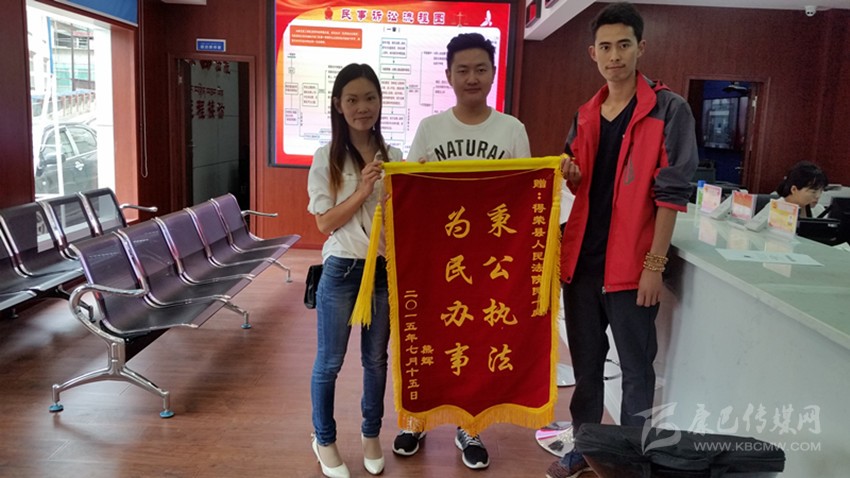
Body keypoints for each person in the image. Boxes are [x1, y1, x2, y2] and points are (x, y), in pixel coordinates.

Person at [546, 3, 698, 477]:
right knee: (587, 369)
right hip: (582, 264)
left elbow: (671, 196)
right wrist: (571, 174)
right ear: (593, 53)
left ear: (640, 48)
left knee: (636, 371)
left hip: (632, 268)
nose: (615, 56)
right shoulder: (586, 113)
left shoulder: (669, 110)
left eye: (624, 45)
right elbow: (582, 183)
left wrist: (654, 265)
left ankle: (632, 462)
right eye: (606, 47)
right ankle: (585, 447)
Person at [392, 32, 531, 470]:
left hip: (489, 262)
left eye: (480, 69)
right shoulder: (430, 129)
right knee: (428, 338)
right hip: (437, 259)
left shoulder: (511, 130)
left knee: (475, 341)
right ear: (449, 75)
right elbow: (410, 190)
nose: (472, 78)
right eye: (463, 70)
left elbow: (525, 193)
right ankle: (416, 419)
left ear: (493, 73)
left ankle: (470, 425)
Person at [307, 63, 403, 478]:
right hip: (342, 270)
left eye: (369, 98)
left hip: (383, 272)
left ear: (380, 102)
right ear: (338, 105)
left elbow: (405, 219)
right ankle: (324, 439)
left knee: (376, 361)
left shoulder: (394, 157)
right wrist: (364, 190)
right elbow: (324, 223)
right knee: (330, 361)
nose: (362, 107)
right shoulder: (325, 157)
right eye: (352, 99)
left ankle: (370, 434)